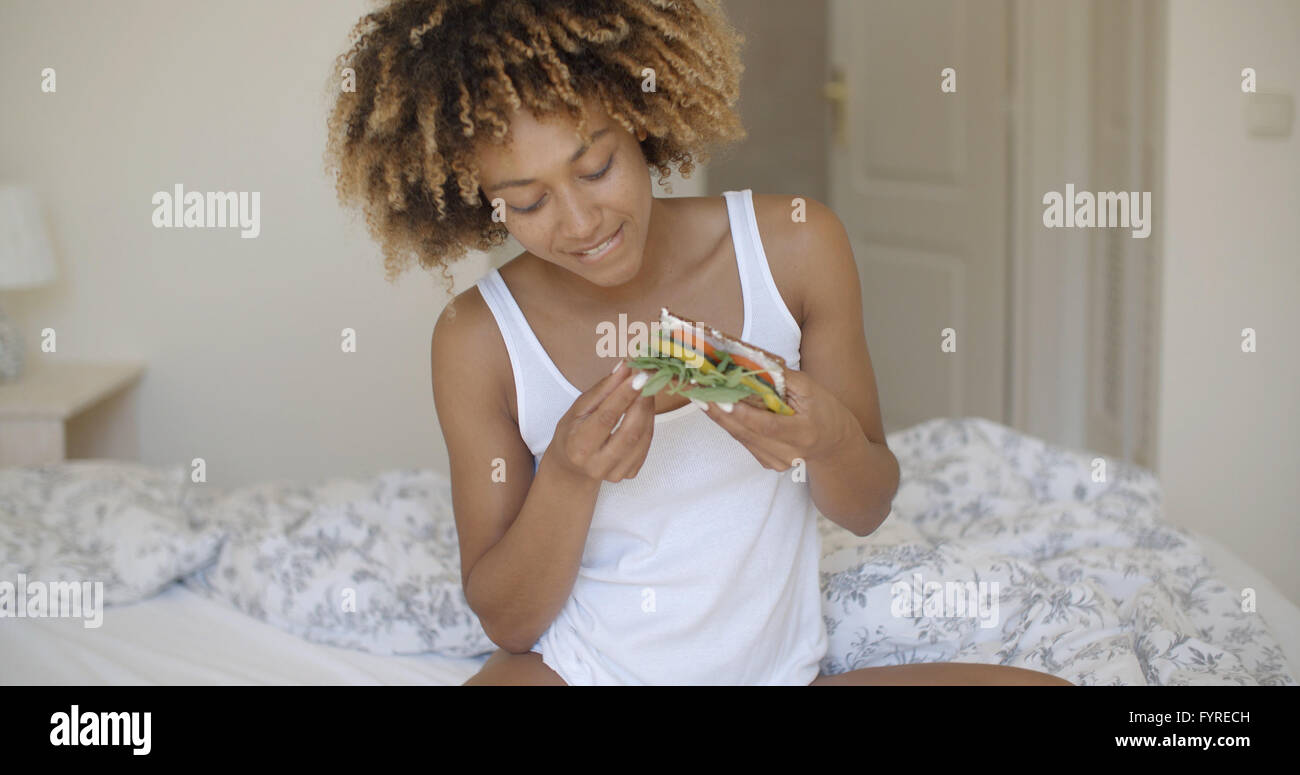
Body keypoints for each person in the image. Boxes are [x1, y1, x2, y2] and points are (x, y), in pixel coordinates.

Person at [323, 0, 1072, 687]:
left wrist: (824, 435)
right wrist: (569, 479)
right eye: (528, 202)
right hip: (585, 672)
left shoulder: (795, 247)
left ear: (641, 118)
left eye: (596, 168)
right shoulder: (476, 337)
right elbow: (507, 620)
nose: (581, 223)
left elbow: (867, 505)